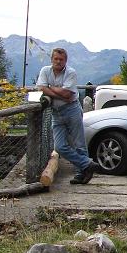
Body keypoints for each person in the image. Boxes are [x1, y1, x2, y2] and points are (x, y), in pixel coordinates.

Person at [37, 48, 96, 185]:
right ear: (51, 59)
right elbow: (42, 88)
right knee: (59, 146)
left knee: (79, 144)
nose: (58, 61)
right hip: (56, 113)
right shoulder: (45, 71)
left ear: (65, 61)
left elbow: (68, 94)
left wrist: (50, 88)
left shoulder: (71, 72)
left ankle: (81, 173)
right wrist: (61, 92)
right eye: (56, 59)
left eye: (61, 59)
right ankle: (87, 164)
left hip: (72, 110)